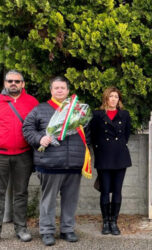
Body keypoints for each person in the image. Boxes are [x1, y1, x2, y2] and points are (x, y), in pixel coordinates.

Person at [23, 76, 89, 246]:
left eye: (63, 88)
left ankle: (67, 229)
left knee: (70, 200)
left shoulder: (78, 110)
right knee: (48, 201)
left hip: (73, 164)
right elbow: (27, 128)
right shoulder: (40, 109)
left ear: (67, 91)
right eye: (56, 88)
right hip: (49, 163)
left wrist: (81, 152)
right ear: (51, 90)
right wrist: (40, 139)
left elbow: (86, 135)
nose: (60, 90)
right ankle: (46, 231)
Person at [0, 70, 38, 241]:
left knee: (21, 193)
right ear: (5, 83)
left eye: (17, 81)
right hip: (1, 155)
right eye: (10, 81)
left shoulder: (32, 102)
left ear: (23, 84)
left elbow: (39, 126)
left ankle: (21, 228)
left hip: (24, 155)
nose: (13, 84)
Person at [90, 86, 132, 235]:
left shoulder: (125, 114)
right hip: (104, 157)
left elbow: (126, 134)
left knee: (117, 191)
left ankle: (114, 221)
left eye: (116, 96)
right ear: (106, 98)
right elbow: (93, 136)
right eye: (111, 96)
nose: (113, 99)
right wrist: (101, 150)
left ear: (119, 99)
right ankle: (105, 221)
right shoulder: (97, 115)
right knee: (105, 191)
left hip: (120, 156)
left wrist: (117, 146)